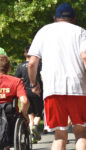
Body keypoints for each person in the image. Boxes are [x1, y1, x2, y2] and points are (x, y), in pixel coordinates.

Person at [28, 3, 86, 150]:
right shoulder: (80, 32)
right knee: (81, 134)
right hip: (79, 89)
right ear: (73, 19)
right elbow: (85, 58)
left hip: (53, 89)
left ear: (55, 18)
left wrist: (34, 84)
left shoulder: (44, 31)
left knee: (59, 136)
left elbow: (32, 62)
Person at [15, 46, 43, 143]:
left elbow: (16, 79)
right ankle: (35, 127)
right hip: (37, 92)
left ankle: (32, 136)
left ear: (24, 54)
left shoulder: (20, 66)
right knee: (39, 113)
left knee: (30, 114)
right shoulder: (38, 65)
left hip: (25, 92)